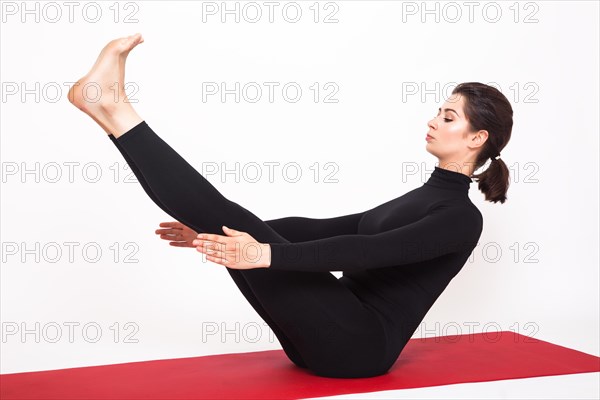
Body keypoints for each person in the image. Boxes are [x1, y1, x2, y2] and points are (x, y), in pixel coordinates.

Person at [67, 33, 513, 379]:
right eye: (439, 111)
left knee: (238, 226)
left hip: (358, 349)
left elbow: (366, 253)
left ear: (477, 139)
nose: (433, 120)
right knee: (234, 225)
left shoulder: (459, 218)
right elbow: (325, 228)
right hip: (327, 337)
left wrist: (264, 253)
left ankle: (113, 107)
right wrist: (211, 232)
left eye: (449, 117)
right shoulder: (424, 198)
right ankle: (108, 111)